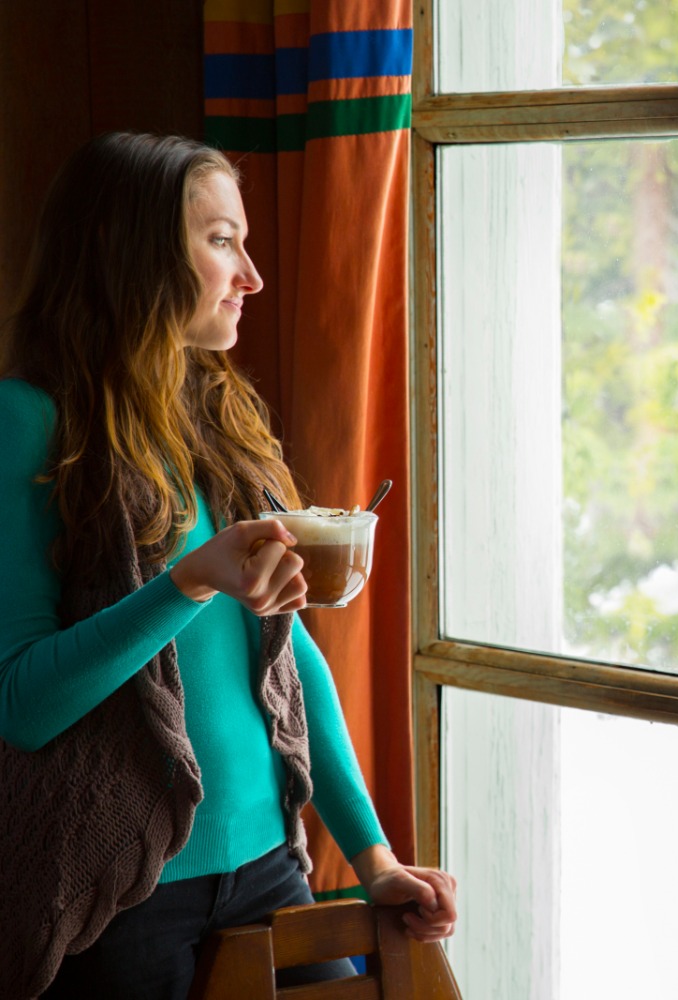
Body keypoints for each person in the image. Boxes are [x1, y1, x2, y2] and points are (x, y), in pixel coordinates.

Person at [0, 132, 457, 1000]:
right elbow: (22, 703)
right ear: (128, 253)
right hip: (120, 903)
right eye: (221, 242)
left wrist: (373, 858)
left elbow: (284, 658)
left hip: (271, 873)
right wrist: (190, 581)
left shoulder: (219, 416)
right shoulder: (27, 422)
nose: (250, 275)